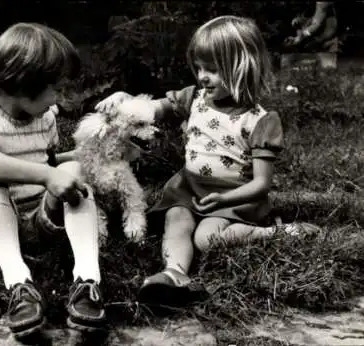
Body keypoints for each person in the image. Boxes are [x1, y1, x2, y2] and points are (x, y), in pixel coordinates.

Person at [96, 15, 317, 306]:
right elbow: (152, 108)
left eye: (211, 69)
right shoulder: (194, 98)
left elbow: (262, 184)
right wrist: (126, 100)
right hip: (189, 190)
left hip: (233, 198)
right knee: (175, 218)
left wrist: (223, 201)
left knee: (206, 239)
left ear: (242, 67)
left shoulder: (260, 120)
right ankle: (174, 273)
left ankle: (271, 232)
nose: (202, 76)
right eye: (199, 67)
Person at [0, 23, 106, 340]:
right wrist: (47, 175)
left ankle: (87, 281)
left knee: (76, 171)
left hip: (41, 220)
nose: (59, 100)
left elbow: (46, 163)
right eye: (56, 89)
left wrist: (75, 159)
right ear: (26, 84)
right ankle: (19, 284)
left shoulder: (45, 117)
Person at [283, 1, 338, 70]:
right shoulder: (309, 6)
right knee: (296, 22)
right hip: (320, 31)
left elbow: (316, 24)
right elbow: (313, 19)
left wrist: (300, 37)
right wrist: (300, 23)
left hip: (327, 34)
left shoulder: (322, 4)